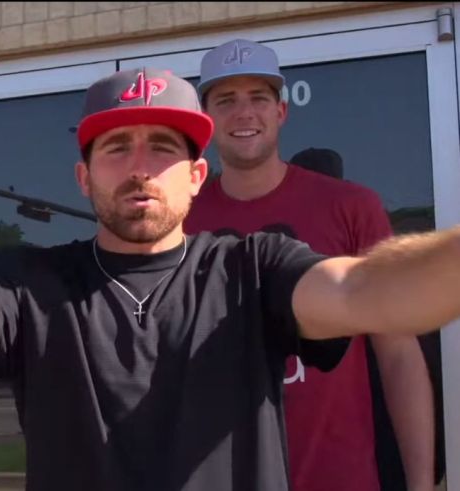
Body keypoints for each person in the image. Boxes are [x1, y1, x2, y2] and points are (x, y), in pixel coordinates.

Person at [0, 67, 460, 491]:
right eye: (115, 146)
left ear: (195, 176)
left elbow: (364, 290)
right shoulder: (32, 280)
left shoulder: (253, 266)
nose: (138, 165)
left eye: (162, 146)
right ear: (82, 174)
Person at [184, 38, 436, 491]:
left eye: (258, 98)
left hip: (338, 478)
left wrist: (421, 483)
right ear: (205, 121)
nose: (244, 113)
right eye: (226, 100)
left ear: (281, 111)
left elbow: (397, 353)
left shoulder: (352, 207)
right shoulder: (182, 216)